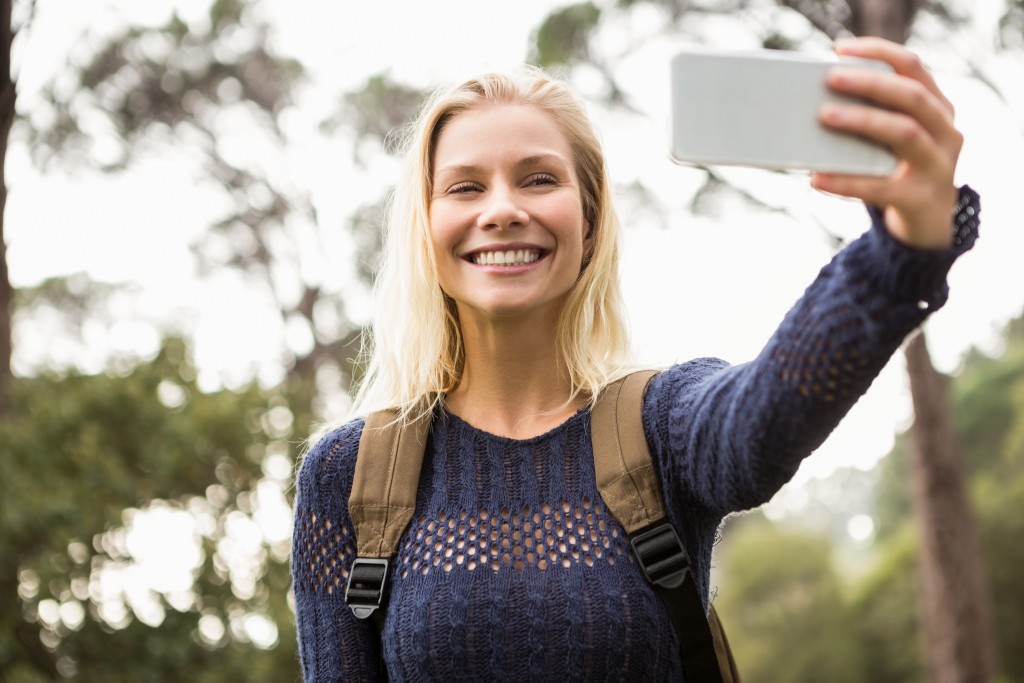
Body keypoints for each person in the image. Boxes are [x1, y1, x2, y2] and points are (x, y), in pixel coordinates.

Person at [290, 37, 978, 681]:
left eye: (537, 179)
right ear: (426, 228)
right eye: (465, 187)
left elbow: (765, 417)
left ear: (588, 221)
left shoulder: (662, 428)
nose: (501, 209)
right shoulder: (346, 478)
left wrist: (902, 248)